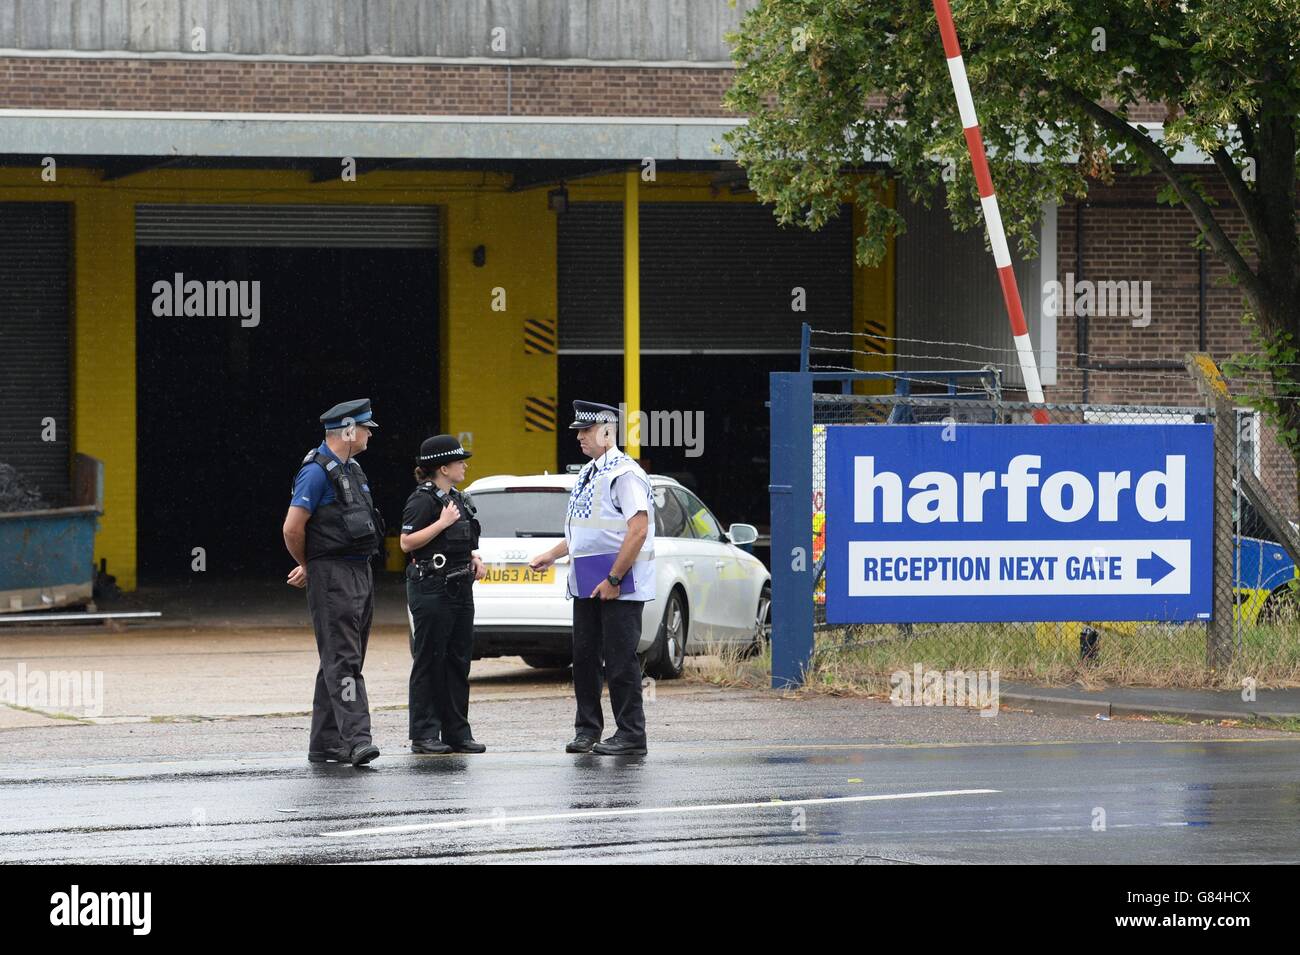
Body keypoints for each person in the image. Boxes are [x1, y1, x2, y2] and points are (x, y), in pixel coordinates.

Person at [529, 400, 655, 756]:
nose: (579, 438)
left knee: (619, 660)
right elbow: (585, 530)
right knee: (584, 658)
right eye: (578, 432)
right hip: (586, 579)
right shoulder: (590, 472)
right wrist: (551, 555)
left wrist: (614, 579)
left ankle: (631, 733)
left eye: (584, 431)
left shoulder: (625, 474)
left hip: (620, 583)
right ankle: (587, 729)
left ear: (605, 433)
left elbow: (638, 530)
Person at [282, 398, 384, 768]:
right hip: (333, 574)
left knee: (338, 659)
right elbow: (292, 527)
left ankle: (326, 745)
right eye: (366, 427)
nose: (370, 433)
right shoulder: (316, 472)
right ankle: (358, 739)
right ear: (347, 430)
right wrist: (310, 564)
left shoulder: (352, 469)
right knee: (344, 659)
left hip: (359, 570)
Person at [400, 435, 488, 755]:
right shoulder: (423, 500)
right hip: (431, 587)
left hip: (460, 587)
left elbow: (462, 540)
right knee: (429, 661)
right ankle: (424, 735)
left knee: (457, 661)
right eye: (459, 461)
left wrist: (474, 558)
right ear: (442, 467)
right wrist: (440, 523)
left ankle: (456, 733)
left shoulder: (459, 499)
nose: (464, 465)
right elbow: (407, 543)